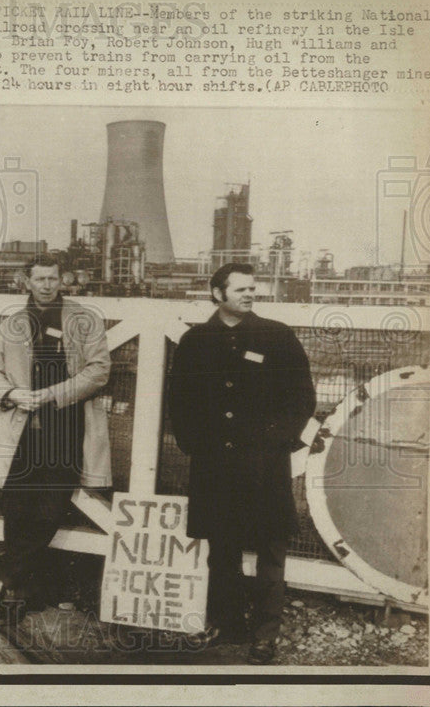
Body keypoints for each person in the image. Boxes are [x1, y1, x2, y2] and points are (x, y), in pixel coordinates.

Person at [167, 262, 316, 664]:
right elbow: (179, 400)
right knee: (222, 549)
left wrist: (275, 440)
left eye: (253, 289)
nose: (250, 294)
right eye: (241, 289)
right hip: (215, 464)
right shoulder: (195, 341)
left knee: (271, 548)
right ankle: (225, 623)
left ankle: (265, 635)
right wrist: (195, 444)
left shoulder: (277, 336)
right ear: (218, 294)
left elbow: (302, 397)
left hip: (264, 464)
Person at [0, 255, 111, 619]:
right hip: (22, 432)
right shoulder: (12, 323)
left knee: (49, 511)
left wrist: (54, 394)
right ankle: (21, 592)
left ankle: (4, 581)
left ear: (62, 280)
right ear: (27, 281)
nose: (47, 285)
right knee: (16, 510)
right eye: (39, 279)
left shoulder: (84, 319)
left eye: (53, 278)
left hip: (65, 429)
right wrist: (11, 394)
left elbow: (99, 370)